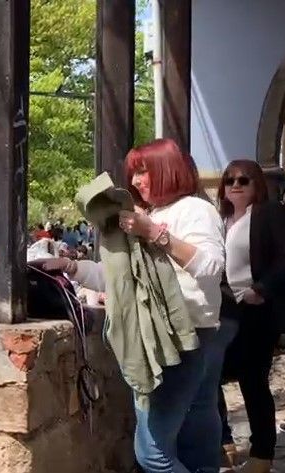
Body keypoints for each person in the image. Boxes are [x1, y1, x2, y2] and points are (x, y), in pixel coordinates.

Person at [43, 138, 225, 473]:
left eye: (144, 172)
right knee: (194, 435)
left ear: (168, 170)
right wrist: (70, 267)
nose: (137, 181)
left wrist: (154, 232)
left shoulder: (196, 210)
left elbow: (211, 269)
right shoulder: (148, 214)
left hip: (183, 337)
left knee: (152, 453)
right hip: (171, 337)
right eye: (134, 174)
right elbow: (121, 279)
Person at [215, 161, 285, 472]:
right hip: (224, 309)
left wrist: (261, 289)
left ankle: (261, 455)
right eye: (229, 180)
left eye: (244, 180)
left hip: (256, 311)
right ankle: (224, 443)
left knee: (252, 381)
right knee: (210, 375)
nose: (236, 185)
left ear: (256, 184)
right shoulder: (221, 219)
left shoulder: (267, 213)